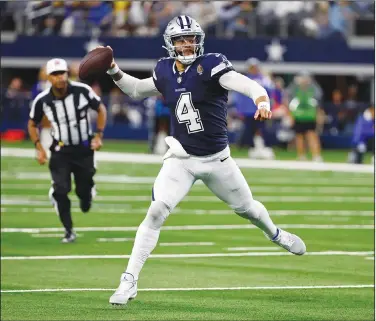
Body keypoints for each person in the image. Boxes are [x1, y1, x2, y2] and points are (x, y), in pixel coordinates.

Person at [104, 15, 306, 306]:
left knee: (248, 209)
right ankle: (129, 280)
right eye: (181, 39)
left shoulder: (210, 66)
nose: (187, 44)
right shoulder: (163, 70)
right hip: (181, 158)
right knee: (157, 210)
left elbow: (247, 84)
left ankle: (275, 234)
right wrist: (113, 70)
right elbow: (136, 89)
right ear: (170, 43)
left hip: (217, 160)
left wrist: (262, 101)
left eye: (191, 38)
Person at [28, 58, 107, 243]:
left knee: (83, 194)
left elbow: (101, 109)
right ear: (48, 77)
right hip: (60, 151)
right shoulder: (43, 99)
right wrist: (39, 147)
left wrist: (99, 135)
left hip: (84, 149)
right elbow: (32, 123)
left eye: (62, 73)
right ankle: (69, 230)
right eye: (55, 74)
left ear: (67, 73)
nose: (59, 78)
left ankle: (87, 194)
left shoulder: (82, 91)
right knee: (61, 190)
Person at [232, 57, 275, 159]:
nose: (254, 69)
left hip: (260, 109)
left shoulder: (264, 79)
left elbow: (270, 93)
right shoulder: (244, 79)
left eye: (255, 67)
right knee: (249, 131)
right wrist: (240, 110)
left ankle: (262, 149)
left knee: (262, 130)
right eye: (252, 67)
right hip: (248, 111)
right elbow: (239, 97)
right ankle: (252, 150)